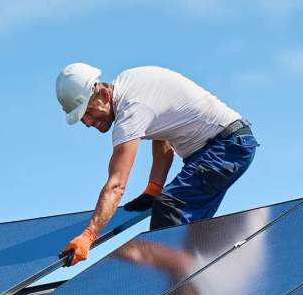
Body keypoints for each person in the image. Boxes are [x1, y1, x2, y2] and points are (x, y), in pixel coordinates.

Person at [55, 63, 257, 264]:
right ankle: (192, 275)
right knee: (180, 226)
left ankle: (168, 287)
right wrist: (154, 188)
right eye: (82, 119)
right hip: (222, 148)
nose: (88, 122)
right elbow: (163, 135)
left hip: (226, 147)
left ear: (104, 95)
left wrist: (89, 235)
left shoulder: (131, 110)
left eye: (88, 112)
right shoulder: (129, 84)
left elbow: (117, 184)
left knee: (170, 209)